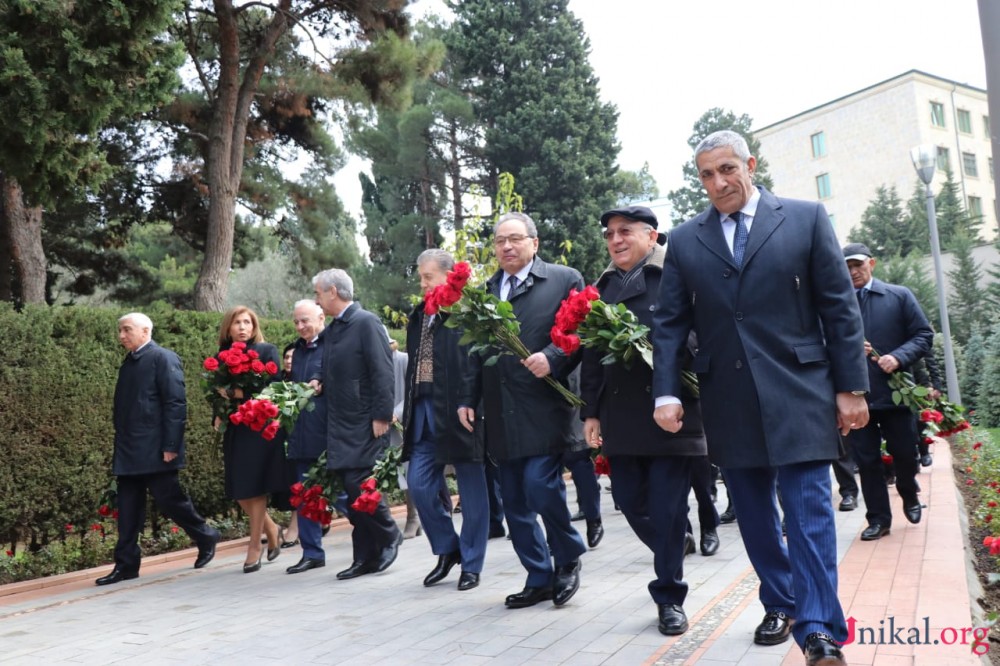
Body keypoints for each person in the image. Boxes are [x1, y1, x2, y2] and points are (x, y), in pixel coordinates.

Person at [651, 130, 869, 666]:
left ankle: (819, 630)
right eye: (706, 174)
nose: (719, 182)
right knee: (754, 517)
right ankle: (785, 600)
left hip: (800, 390)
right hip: (728, 396)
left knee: (809, 512)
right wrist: (666, 392)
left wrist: (851, 387)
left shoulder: (804, 218)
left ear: (750, 164)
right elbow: (669, 325)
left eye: (727, 169)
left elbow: (839, 309)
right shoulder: (684, 240)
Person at [580, 206, 710, 635]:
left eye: (626, 232)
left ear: (651, 236)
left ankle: (670, 595)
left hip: (670, 413)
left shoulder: (676, 275)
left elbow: (698, 336)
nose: (616, 240)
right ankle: (673, 547)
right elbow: (592, 354)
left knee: (668, 508)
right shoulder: (601, 289)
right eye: (610, 234)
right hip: (620, 418)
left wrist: (652, 345)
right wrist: (591, 412)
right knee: (632, 504)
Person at [459, 211, 588, 609]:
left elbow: (582, 329)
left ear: (534, 242)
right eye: (500, 241)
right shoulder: (486, 292)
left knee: (540, 485)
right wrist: (468, 397)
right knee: (513, 500)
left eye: (515, 239)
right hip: (501, 411)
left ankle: (567, 557)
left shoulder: (564, 280)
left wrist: (553, 356)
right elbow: (475, 354)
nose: (507, 247)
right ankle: (538, 576)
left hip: (544, 405)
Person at [97, 313, 220, 585]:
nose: (121, 336)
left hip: (156, 449)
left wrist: (171, 445)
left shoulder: (163, 358)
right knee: (128, 509)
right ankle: (126, 564)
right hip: (129, 449)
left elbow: (176, 404)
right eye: (120, 330)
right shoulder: (129, 362)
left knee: (170, 501)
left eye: (126, 330)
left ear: (145, 331)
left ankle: (205, 535)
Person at [402, 249, 491, 591]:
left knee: (471, 489)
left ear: (448, 275)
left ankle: (472, 562)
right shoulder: (418, 314)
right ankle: (448, 548)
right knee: (420, 484)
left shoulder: (467, 312)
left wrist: (473, 402)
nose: (423, 284)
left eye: (428, 277)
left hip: (460, 409)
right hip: (423, 410)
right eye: (421, 278)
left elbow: (477, 362)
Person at [311, 268, 404, 580]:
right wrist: (318, 379)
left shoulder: (366, 322)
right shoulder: (336, 328)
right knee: (352, 493)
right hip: (341, 421)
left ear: (333, 292)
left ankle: (390, 534)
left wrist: (381, 415)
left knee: (360, 486)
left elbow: (383, 371)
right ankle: (364, 556)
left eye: (318, 293)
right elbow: (330, 364)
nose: (317, 300)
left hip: (365, 420)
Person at [842, 242, 933, 541]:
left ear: (872, 263)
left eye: (858, 264)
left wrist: (898, 357)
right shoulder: (837, 305)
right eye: (847, 266)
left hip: (896, 396)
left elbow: (924, 335)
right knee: (867, 462)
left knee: (906, 454)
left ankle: (909, 492)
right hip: (858, 400)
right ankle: (879, 519)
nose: (853, 271)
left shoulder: (898, 296)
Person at [214, 306, 287, 573]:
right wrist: (218, 413)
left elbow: (275, 386)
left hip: (259, 425)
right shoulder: (220, 356)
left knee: (253, 487)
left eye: (247, 322)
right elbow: (214, 389)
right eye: (237, 323)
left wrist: (237, 393)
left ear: (254, 327)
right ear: (229, 327)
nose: (243, 327)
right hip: (235, 425)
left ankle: (254, 545)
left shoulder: (267, 351)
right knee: (239, 488)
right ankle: (271, 527)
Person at [283, 300, 328, 574]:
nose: (300, 327)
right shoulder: (297, 351)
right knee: (305, 494)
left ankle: (380, 534)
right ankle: (312, 552)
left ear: (321, 317)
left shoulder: (334, 344)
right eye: (296, 322)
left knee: (346, 494)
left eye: (305, 321)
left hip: (330, 432)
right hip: (302, 432)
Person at [389, 332, 422, 540]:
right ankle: (387, 524)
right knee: (379, 470)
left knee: (407, 468)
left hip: (402, 423)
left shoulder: (403, 359)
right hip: (380, 424)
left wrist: (398, 413)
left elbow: (413, 390)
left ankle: (414, 517)